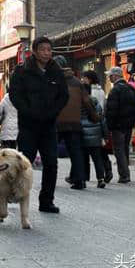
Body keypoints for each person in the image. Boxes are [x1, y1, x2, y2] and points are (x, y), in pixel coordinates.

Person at [10, 36, 68, 214]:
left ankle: (47, 201)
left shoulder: (56, 71)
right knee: (23, 163)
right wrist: (28, 111)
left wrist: (53, 112)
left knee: (51, 163)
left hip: (49, 125)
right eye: (43, 49)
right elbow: (15, 95)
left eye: (49, 50)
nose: (46, 53)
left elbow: (63, 96)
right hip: (28, 125)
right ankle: (17, 193)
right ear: (34, 51)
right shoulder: (22, 71)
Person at [54, 56, 97, 190]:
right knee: (76, 153)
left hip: (55, 122)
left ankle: (49, 180)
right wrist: (94, 117)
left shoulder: (52, 81)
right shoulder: (77, 82)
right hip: (74, 123)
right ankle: (80, 180)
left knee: (50, 153)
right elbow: (87, 102)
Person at [104, 66, 135, 184]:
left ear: (116, 76)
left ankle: (124, 175)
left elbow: (111, 111)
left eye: (110, 76)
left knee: (119, 150)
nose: (109, 78)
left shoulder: (115, 91)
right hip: (129, 125)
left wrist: (109, 127)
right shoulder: (131, 89)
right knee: (125, 149)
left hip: (118, 126)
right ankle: (126, 173)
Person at [82, 70, 112, 183]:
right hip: (97, 127)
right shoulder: (101, 91)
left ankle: (85, 176)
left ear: (89, 79)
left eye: (84, 78)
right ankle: (104, 175)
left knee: (87, 155)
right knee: (99, 155)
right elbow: (102, 111)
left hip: (87, 129)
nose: (82, 80)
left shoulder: (88, 96)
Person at [81, 85, 108, 188]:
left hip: (83, 134)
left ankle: (83, 179)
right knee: (97, 159)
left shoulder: (79, 103)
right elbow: (102, 120)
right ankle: (100, 179)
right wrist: (105, 135)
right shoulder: (96, 103)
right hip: (96, 135)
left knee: (84, 159)